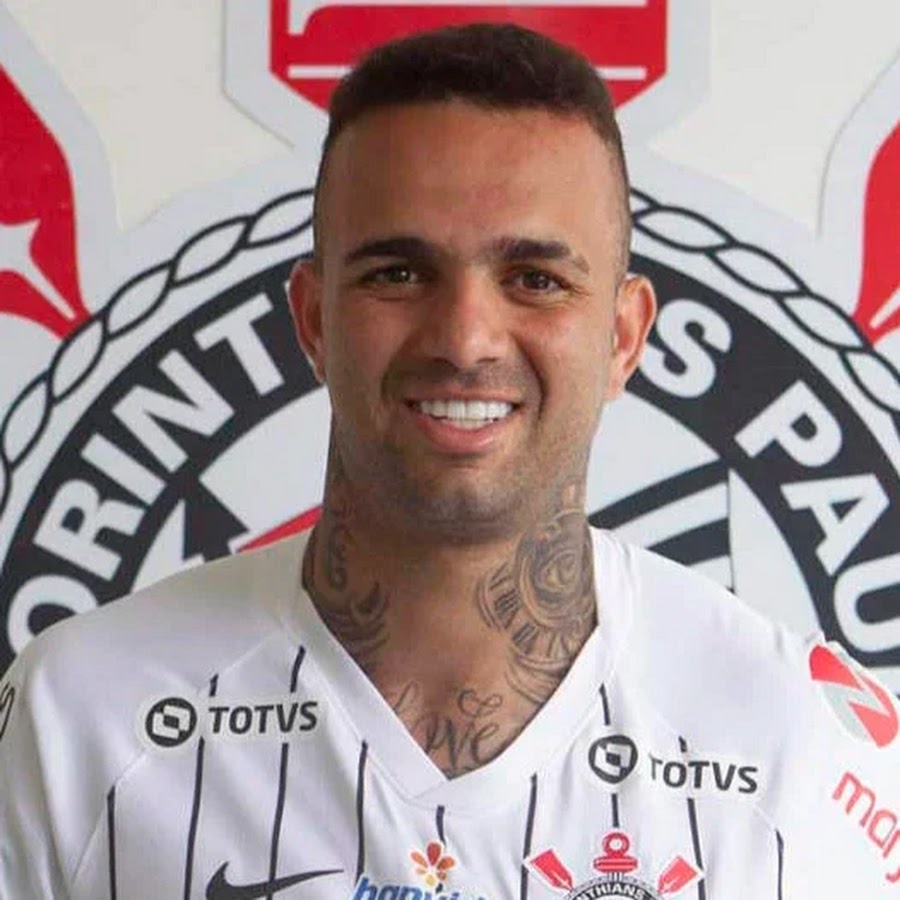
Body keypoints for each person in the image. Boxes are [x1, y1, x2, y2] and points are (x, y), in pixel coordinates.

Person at [1, 22, 898, 900]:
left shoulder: (804, 748)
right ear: (313, 321)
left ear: (624, 336)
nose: (465, 339)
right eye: (398, 273)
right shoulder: (78, 720)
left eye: (536, 279)